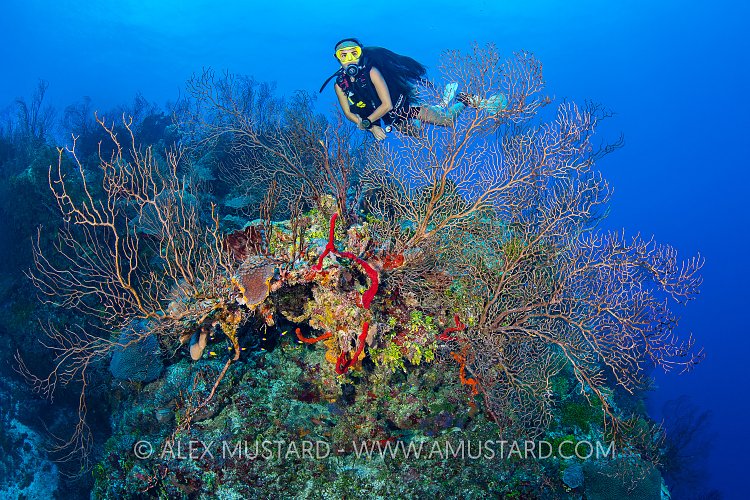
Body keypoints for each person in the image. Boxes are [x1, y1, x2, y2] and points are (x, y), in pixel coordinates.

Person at [321, 38, 497, 141]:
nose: (349, 59)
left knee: (447, 121)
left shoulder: (372, 72)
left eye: (354, 53)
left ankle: (462, 99)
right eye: (343, 55)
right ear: (337, 59)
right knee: (417, 135)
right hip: (392, 120)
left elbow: (387, 105)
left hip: (405, 108)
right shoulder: (340, 84)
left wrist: (369, 124)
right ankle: (438, 105)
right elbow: (348, 113)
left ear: (361, 54)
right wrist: (365, 124)